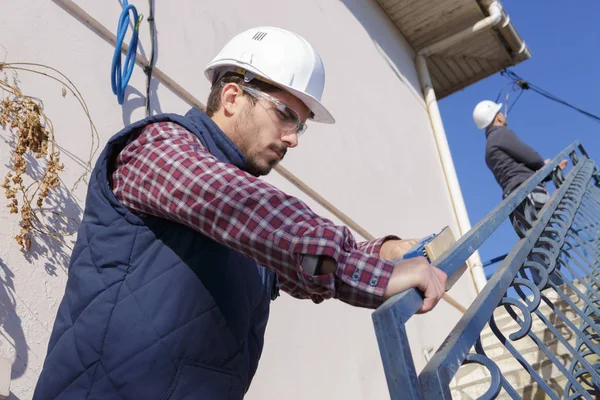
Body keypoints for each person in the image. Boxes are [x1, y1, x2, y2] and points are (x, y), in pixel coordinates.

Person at [34, 26, 447, 399]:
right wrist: (376, 278)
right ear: (232, 97)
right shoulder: (158, 145)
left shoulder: (254, 226)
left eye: (300, 126)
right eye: (286, 114)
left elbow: (303, 256)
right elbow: (236, 203)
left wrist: (383, 253)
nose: (292, 139)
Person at [473, 100, 567, 237]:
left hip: (515, 202)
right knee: (550, 236)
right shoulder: (500, 134)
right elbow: (532, 158)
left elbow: (512, 169)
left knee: (537, 242)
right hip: (529, 192)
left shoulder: (488, 150)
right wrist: (548, 167)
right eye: (499, 112)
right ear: (497, 117)